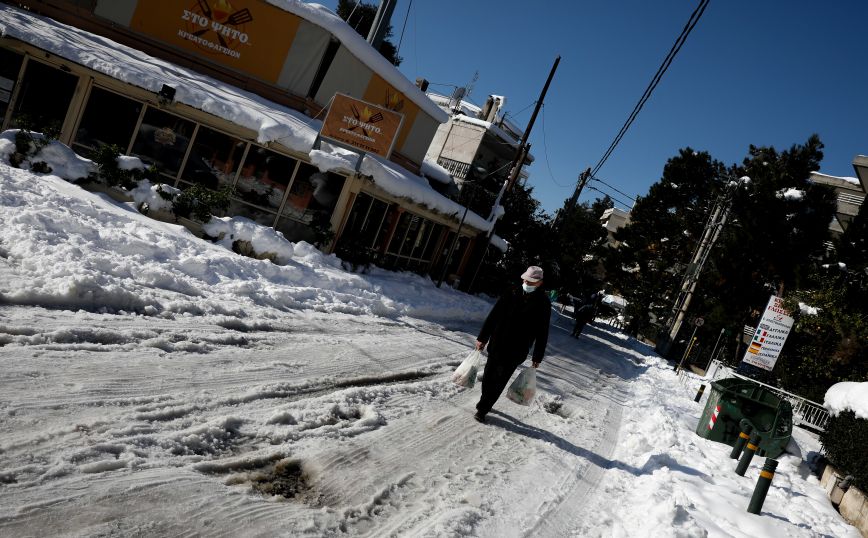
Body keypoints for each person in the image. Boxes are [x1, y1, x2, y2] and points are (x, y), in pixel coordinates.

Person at [473, 265, 551, 423]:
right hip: (498, 342)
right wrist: (483, 337)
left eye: (531, 282)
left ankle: (483, 408)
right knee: (488, 375)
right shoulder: (511, 292)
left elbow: (543, 332)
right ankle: (486, 399)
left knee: (500, 379)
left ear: (540, 283)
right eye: (525, 280)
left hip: (517, 349)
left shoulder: (543, 303)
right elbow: (494, 315)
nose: (527, 283)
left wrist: (538, 356)